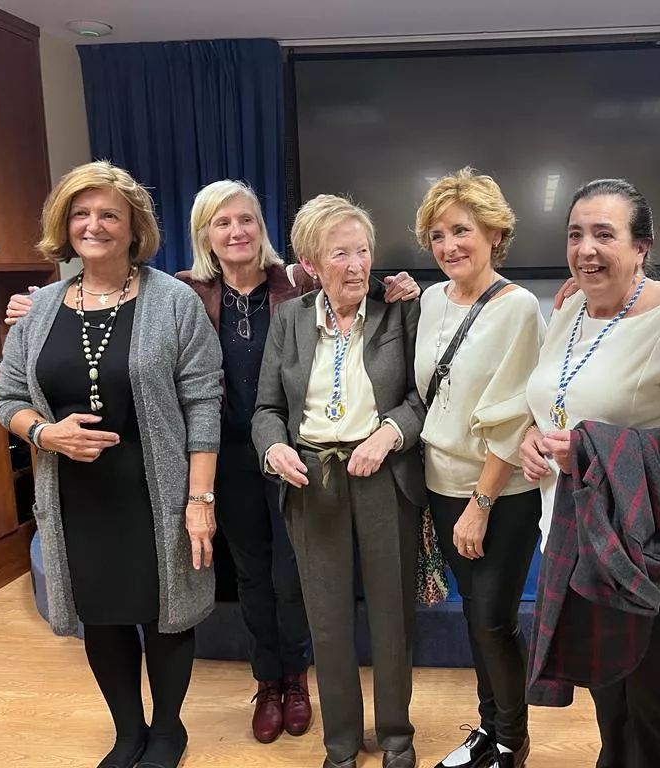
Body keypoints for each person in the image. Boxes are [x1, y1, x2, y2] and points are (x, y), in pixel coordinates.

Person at [3, 180, 421, 745]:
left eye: (247, 219)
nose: (237, 231)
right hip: (222, 457)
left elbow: (347, 272)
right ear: (205, 235)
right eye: (222, 223)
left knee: (292, 576)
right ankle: (268, 681)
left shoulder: (296, 281)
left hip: (293, 454)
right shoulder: (184, 292)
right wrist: (32, 307)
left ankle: (298, 679)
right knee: (252, 575)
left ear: (263, 230)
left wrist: (395, 283)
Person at [0, 161, 223, 768]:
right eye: (81, 213)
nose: (93, 225)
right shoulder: (36, 309)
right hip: (76, 499)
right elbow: (8, 398)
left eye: (109, 215)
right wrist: (45, 433)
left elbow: (204, 400)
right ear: (64, 224)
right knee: (102, 615)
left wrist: (199, 501)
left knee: (166, 614)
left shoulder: (174, 302)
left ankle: (168, 730)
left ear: (133, 228)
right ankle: (128, 731)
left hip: (158, 493)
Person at [520, 178, 660, 768]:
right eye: (576, 234)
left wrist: (592, 454)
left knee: (656, 693)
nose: (586, 249)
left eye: (605, 234)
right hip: (576, 534)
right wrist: (532, 439)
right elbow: (555, 401)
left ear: (642, 246)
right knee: (607, 684)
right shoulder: (570, 307)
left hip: (647, 543)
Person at [252, 194, 426, 768]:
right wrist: (274, 446)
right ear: (309, 263)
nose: (357, 266)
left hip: (383, 476)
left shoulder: (400, 309)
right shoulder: (289, 319)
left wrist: (389, 435)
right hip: (312, 481)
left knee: (391, 615)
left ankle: (397, 737)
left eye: (364, 251)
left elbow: (422, 398)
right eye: (340, 254)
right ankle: (342, 744)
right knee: (325, 621)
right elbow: (266, 408)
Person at [414, 168, 545, 768]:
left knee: (493, 617)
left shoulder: (517, 308)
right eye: (437, 236)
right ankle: (489, 731)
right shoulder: (428, 299)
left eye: (461, 230)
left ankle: (512, 740)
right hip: (441, 485)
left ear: (495, 232)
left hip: (499, 492)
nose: (449, 247)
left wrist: (481, 504)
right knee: (474, 612)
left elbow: (516, 416)